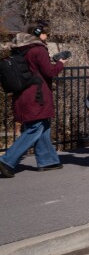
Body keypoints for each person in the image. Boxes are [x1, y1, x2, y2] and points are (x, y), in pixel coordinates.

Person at [0, 22, 67, 178]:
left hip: (23, 94)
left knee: (42, 125)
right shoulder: (38, 49)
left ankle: (48, 161)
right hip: (37, 95)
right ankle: (7, 160)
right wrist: (60, 63)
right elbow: (49, 72)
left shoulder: (19, 49)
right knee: (35, 128)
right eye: (46, 34)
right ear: (40, 34)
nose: (47, 38)